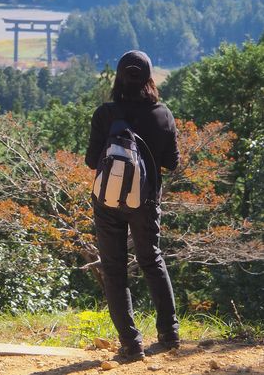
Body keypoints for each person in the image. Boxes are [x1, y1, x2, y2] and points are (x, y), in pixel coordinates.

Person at [85, 50, 180, 361]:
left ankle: (131, 343)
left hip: (108, 200)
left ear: (119, 76)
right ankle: (168, 333)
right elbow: (172, 163)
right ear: (150, 77)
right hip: (146, 200)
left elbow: (90, 161)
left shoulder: (105, 113)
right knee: (151, 260)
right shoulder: (162, 114)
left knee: (114, 270)